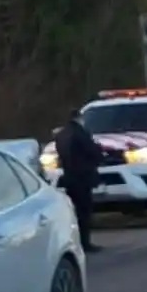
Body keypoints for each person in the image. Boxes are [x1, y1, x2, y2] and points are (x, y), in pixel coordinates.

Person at [54, 108, 103, 253]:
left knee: (74, 212)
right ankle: (85, 243)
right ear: (79, 118)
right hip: (83, 177)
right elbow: (92, 152)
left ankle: (76, 242)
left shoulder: (61, 135)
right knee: (84, 212)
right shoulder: (80, 134)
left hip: (68, 177)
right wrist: (99, 153)